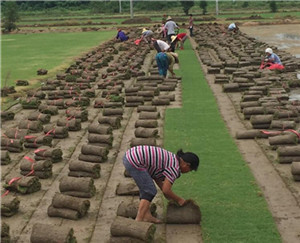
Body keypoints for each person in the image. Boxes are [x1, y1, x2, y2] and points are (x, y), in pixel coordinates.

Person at [123, 145, 200, 223]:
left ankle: (147, 216)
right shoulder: (174, 168)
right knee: (149, 190)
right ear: (187, 165)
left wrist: (170, 197)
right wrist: (179, 200)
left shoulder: (173, 159)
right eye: (190, 170)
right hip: (134, 161)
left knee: (146, 188)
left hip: (130, 155)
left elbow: (157, 178)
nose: (187, 172)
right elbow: (166, 190)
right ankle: (138, 220)